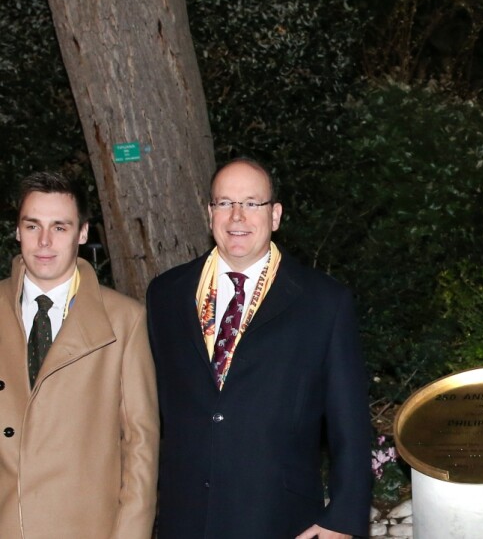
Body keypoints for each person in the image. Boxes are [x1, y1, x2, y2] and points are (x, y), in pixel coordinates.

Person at [147, 158, 372, 539]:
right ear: (210, 213)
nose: (237, 216)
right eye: (224, 203)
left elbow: (349, 422)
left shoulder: (324, 302)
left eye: (252, 203)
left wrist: (344, 518)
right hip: (184, 516)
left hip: (280, 518)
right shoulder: (166, 294)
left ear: (275, 215)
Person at [0, 171, 159, 539]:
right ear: (17, 231)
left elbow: (141, 448)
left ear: (82, 233)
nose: (44, 241)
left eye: (59, 227)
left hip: (86, 527)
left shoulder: (124, 319)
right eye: (32, 226)